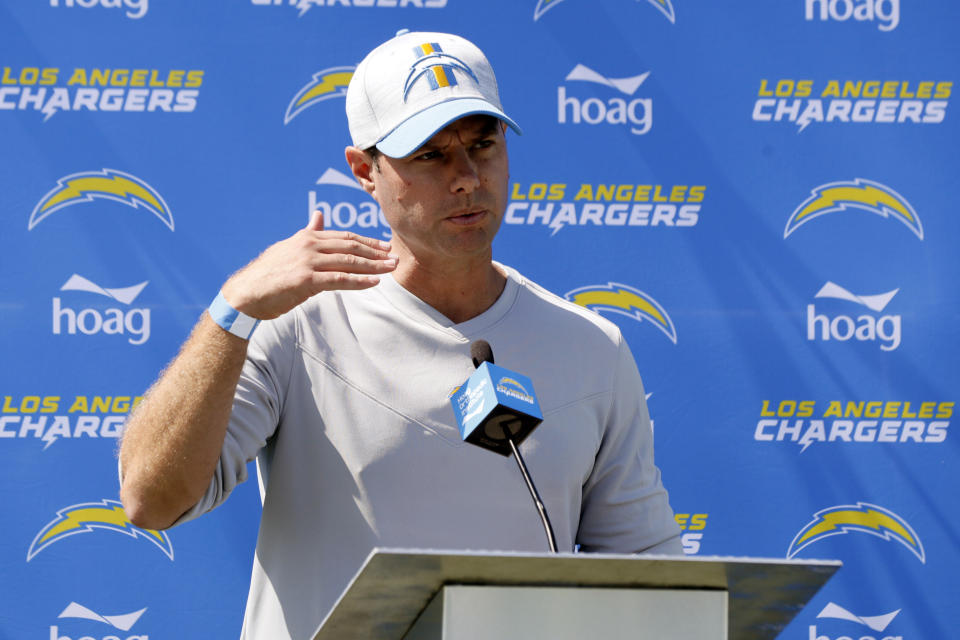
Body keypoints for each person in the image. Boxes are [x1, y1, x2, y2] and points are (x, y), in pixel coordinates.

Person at [119, 30, 682, 640]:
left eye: (483, 144)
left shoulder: (591, 347)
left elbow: (649, 582)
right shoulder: (296, 324)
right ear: (365, 171)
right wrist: (233, 310)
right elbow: (151, 501)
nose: (466, 177)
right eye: (430, 155)